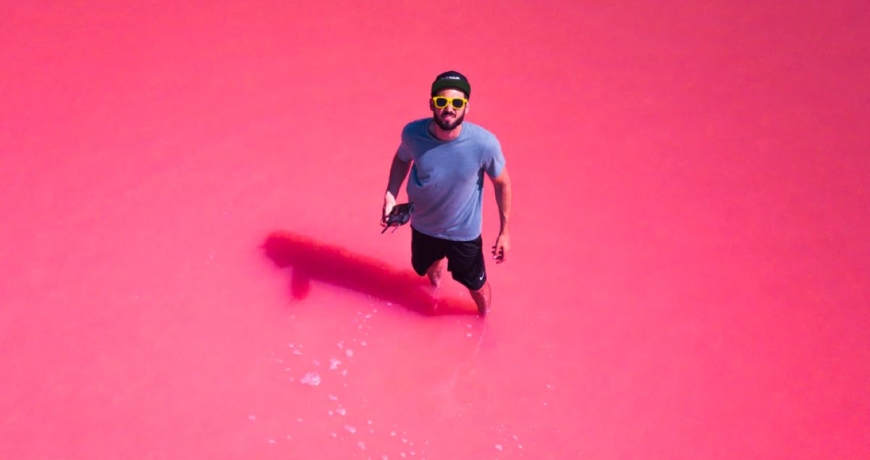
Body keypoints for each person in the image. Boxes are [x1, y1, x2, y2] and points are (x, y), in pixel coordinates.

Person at [381, 70, 512, 316]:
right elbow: (401, 159)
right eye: (442, 101)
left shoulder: (484, 144)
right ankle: (436, 293)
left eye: (457, 103)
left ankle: (484, 319)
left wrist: (504, 232)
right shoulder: (413, 134)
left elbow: (502, 183)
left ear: (466, 107)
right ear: (432, 104)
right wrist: (390, 194)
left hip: (463, 234)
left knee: (477, 286)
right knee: (430, 268)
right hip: (423, 226)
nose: (449, 108)